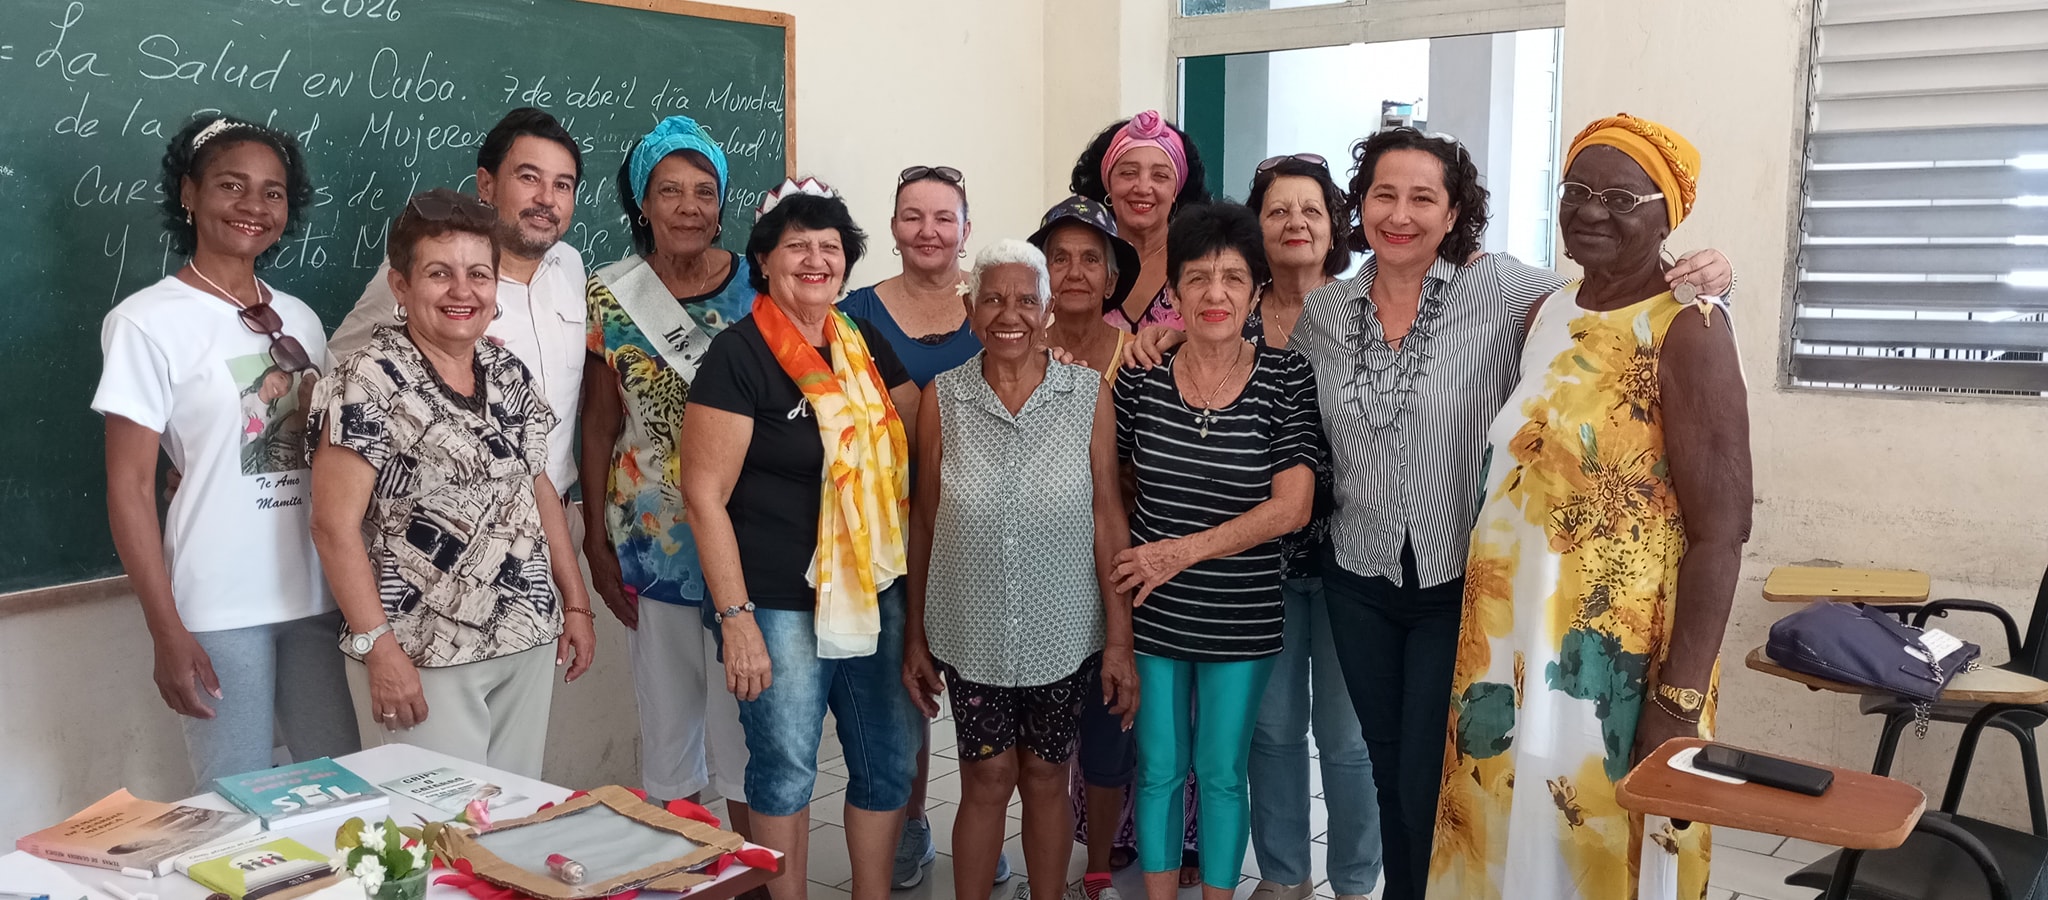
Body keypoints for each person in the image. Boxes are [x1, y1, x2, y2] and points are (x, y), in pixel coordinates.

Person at [1278, 129, 1732, 900]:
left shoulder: (1508, 292)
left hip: (1458, 586)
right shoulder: (1324, 312)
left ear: (1454, 212)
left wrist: (1718, 275)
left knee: (1433, 777)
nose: (1400, 215)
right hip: (1358, 573)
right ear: (1361, 205)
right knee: (1385, 766)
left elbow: (1623, 291)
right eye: (1384, 195)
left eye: (1423, 198)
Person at [1425, 114, 1749, 900]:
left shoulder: (1689, 329)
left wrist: (1677, 701)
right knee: (1513, 834)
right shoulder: (1548, 311)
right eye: (1577, 190)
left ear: (1668, 216)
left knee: (1596, 843)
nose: (1592, 210)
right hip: (1512, 644)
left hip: (1613, 663)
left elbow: (1723, 531)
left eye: (1622, 198)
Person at [94, 114, 358, 785]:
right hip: (217, 606)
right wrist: (166, 629)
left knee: (341, 792)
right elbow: (130, 487)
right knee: (235, 804)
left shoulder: (301, 319)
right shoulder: (146, 323)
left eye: (273, 192)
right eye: (231, 185)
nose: (253, 205)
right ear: (189, 193)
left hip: (314, 595)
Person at [678, 179, 922, 900]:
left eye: (830, 246)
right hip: (775, 601)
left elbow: (925, 430)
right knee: (785, 769)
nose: (816, 260)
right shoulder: (739, 354)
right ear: (764, 259)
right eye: (798, 246)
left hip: (872, 592)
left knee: (888, 764)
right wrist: (736, 619)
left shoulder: (861, 342)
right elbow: (703, 494)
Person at [307, 189, 598, 778]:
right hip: (421, 654)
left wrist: (575, 601)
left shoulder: (506, 371)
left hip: (526, 636)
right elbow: (332, 527)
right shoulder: (366, 382)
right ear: (400, 286)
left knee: (512, 818)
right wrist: (378, 648)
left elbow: (538, 486)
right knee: (437, 825)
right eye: (439, 273)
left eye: (478, 275)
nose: (462, 291)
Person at [901, 239, 1137, 900]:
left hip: (1063, 633)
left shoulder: (1086, 395)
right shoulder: (943, 399)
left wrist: (1120, 640)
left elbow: (1108, 517)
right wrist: (915, 635)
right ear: (970, 310)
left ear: (1047, 308)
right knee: (986, 778)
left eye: (1026, 300)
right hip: (971, 634)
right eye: (994, 300)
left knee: (1045, 775)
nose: (1010, 315)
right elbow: (924, 522)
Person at [1114, 203, 1322, 900]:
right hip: (1153, 611)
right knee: (1159, 769)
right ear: (1172, 291)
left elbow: (1292, 507)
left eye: (1234, 278)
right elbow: (1113, 484)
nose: (1216, 294)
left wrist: (1178, 552)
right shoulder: (1141, 376)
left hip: (1242, 614)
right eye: (1198, 278)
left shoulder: (1286, 378)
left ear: (1256, 292)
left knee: (1223, 771)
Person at [580, 117, 756, 831]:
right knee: (669, 725)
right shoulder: (610, 294)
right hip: (650, 543)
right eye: (670, 191)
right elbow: (599, 424)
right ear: (643, 204)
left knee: (747, 726)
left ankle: (754, 872)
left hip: (748, 541)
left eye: (704, 192)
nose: (689, 207)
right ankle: (682, 863)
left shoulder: (760, 284)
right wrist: (594, 540)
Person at [831, 164, 1002, 889]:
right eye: (913, 216)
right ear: (893, 227)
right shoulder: (851, 315)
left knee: (988, 693)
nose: (928, 231)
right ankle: (910, 823)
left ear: (966, 229)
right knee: (905, 690)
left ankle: (982, 827)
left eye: (943, 217)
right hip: (886, 534)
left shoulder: (998, 308)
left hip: (985, 533)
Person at [1239, 156, 1382, 900]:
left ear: (1334, 228)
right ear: (1257, 227)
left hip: (1354, 556)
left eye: (1311, 210)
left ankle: (1356, 881)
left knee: (1348, 736)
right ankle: (1285, 875)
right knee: (1271, 729)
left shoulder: (1368, 307)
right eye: (1277, 210)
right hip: (1257, 558)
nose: (1295, 223)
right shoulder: (1230, 310)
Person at [328, 107, 587, 498]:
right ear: (486, 184)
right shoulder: (430, 275)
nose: (547, 199)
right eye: (529, 177)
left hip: (558, 508)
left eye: (562, 185)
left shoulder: (571, 266)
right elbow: (336, 373)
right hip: (451, 523)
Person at [1071, 111, 1212, 332]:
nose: (1143, 188)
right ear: (1108, 184)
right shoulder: (1078, 262)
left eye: (1160, 176)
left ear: (1176, 191)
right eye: (1128, 173)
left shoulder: (1202, 261)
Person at [1031, 195, 1140, 381]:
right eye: (1060, 259)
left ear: (1110, 282)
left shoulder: (1138, 357)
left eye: (1090, 259)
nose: (1075, 273)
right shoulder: (1026, 359)